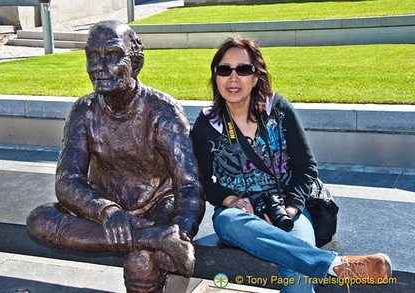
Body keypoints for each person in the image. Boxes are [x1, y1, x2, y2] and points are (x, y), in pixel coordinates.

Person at [191, 37, 392, 292]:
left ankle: (330, 265)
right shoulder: (207, 124)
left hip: (287, 208)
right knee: (227, 221)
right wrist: (232, 201)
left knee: (297, 269)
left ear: (255, 77)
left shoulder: (278, 109)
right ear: (215, 77)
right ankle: (337, 266)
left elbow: (305, 167)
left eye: (243, 69)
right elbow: (203, 183)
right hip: (242, 217)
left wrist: (291, 209)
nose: (233, 78)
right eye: (224, 70)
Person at [26, 20, 205, 293]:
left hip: (156, 206)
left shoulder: (163, 111)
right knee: (39, 219)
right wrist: (108, 211)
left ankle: (156, 237)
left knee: (141, 259)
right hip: (104, 210)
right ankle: (153, 238)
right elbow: (67, 181)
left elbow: (190, 186)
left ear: (136, 63)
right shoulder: (83, 111)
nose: (99, 67)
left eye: (112, 56)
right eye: (93, 57)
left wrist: (181, 233)